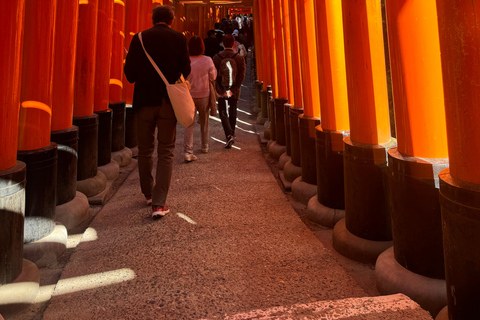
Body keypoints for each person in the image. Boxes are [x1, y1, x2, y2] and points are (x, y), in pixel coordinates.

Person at [124, 5, 191, 219]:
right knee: (166, 150)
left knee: (144, 149)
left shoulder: (139, 38)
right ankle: (159, 203)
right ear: (171, 20)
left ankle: (148, 193)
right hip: (168, 102)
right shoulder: (179, 38)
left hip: (144, 101)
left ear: (153, 19)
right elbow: (186, 68)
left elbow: (130, 74)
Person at [184, 36, 217, 160]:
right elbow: (213, 77)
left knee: (189, 124)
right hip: (204, 94)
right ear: (202, 47)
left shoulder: (186, 60)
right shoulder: (207, 60)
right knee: (205, 121)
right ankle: (205, 146)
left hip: (189, 95)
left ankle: (188, 152)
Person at [213, 34, 246, 148]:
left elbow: (214, 76)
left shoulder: (217, 57)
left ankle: (228, 134)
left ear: (223, 43)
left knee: (222, 111)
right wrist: (234, 89)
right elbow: (241, 75)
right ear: (233, 43)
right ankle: (232, 132)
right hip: (234, 88)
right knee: (233, 108)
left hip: (221, 87)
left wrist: (220, 88)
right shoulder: (239, 58)